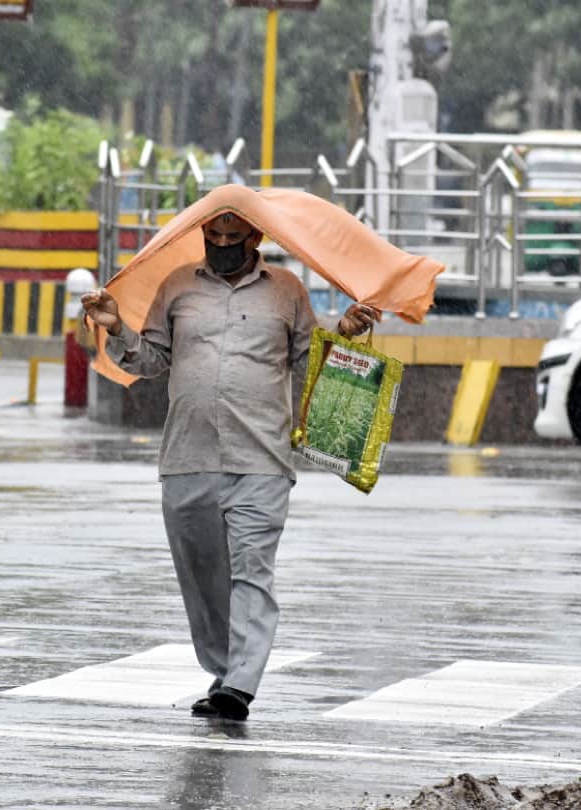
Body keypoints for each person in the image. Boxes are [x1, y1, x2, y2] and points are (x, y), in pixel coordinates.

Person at [82, 212, 376, 721]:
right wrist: (116, 327)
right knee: (202, 574)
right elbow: (152, 359)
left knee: (252, 572)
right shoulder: (177, 287)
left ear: (255, 239)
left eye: (231, 238)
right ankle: (224, 670)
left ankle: (240, 684)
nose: (220, 244)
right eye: (212, 236)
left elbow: (311, 363)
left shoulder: (287, 291)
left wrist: (344, 333)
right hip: (187, 455)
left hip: (261, 456)